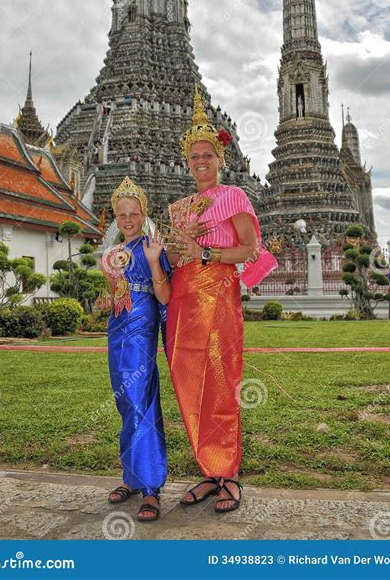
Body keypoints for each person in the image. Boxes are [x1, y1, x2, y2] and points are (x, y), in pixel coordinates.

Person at [165, 86, 278, 513]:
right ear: (187, 162)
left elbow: (249, 249)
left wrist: (205, 252)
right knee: (189, 384)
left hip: (219, 297)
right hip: (183, 301)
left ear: (219, 159)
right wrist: (179, 249)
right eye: (193, 157)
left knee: (221, 383)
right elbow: (176, 258)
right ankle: (208, 470)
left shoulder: (234, 196)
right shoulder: (181, 207)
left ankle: (227, 474)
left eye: (207, 155)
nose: (200, 163)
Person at [100, 176, 171, 522]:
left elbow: (165, 297)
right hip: (116, 335)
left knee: (142, 403)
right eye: (121, 215)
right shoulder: (115, 254)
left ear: (144, 215)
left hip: (142, 337)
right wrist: (105, 297)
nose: (127, 220)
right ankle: (130, 477)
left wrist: (156, 261)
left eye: (133, 214)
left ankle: (151, 489)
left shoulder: (151, 249)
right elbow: (113, 297)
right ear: (116, 218)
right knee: (125, 404)